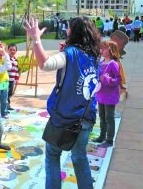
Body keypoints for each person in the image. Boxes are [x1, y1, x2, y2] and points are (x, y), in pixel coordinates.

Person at [24, 17, 101, 189]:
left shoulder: (69, 54)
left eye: (68, 28)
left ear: (73, 32)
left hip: (65, 118)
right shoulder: (95, 56)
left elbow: (45, 64)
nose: (66, 31)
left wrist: (36, 39)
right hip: (86, 117)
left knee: (52, 155)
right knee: (79, 157)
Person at [93, 40, 122, 147]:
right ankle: (102, 136)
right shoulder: (100, 62)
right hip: (101, 95)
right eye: (101, 48)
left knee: (109, 118)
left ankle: (109, 140)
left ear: (110, 51)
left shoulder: (113, 64)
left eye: (104, 48)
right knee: (101, 116)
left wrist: (107, 79)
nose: (101, 50)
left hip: (109, 96)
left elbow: (118, 80)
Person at [7, 44, 19, 111]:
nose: (12, 51)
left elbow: (17, 70)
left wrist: (17, 79)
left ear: (16, 51)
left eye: (14, 50)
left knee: (10, 93)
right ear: (8, 51)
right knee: (5, 93)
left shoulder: (15, 60)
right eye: (10, 50)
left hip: (12, 80)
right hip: (6, 80)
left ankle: (7, 105)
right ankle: (6, 106)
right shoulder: (7, 59)